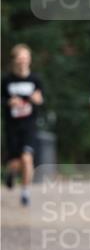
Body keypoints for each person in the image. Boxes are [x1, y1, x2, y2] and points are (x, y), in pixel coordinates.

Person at [2, 44, 44, 206]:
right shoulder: (6, 80)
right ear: (14, 60)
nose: (23, 61)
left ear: (29, 60)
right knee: (14, 162)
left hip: (29, 125)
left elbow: (41, 99)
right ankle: (11, 172)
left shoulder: (35, 79)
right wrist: (8, 102)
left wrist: (37, 100)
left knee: (27, 158)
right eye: (20, 58)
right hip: (12, 126)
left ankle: (25, 192)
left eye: (25, 58)